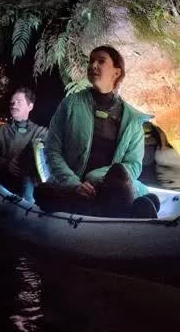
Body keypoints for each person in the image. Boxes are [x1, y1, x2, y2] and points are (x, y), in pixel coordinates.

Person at [35, 45, 161, 219]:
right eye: (90, 61)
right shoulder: (70, 105)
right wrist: (74, 184)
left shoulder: (132, 119)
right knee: (42, 191)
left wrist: (96, 178)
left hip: (110, 187)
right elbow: (52, 150)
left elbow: (133, 165)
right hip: (75, 187)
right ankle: (120, 211)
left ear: (116, 72)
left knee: (120, 176)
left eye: (101, 61)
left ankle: (102, 207)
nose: (93, 65)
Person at [0, 87, 47, 199]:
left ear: (30, 106)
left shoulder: (41, 132)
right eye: (12, 102)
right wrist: (6, 165)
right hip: (3, 189)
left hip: (33, 188)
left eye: (19, 102)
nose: (14, 105)